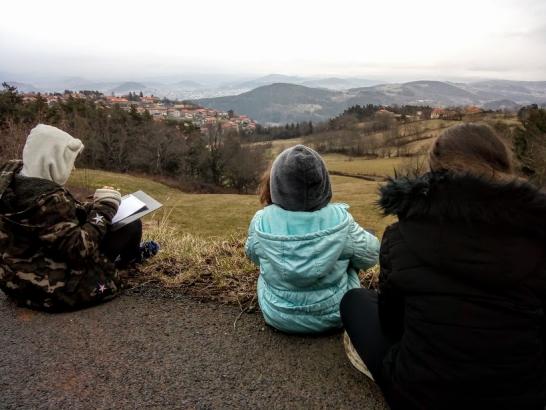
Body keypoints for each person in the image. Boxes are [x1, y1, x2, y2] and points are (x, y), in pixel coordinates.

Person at [340, 123, 546, 410]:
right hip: (524, 398)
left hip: (420, 396)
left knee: (355, 300)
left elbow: (391, 324)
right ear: (502, 165)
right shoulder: (537, 235)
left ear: (434, 170)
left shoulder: (401, 235)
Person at [0, 124, 159, 311]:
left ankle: (129, 257)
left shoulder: (12, 182)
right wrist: (105, 207)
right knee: (130, 224)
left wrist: (88, 207)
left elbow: (50, 225)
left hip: (15, 279)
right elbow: (78, 249)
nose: (72, 168)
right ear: (53, 160)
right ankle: (129, 260)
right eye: (68, 161)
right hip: (50, 289)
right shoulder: (48, 200)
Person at [245, 145, 380, 333]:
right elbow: (371, 256)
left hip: (277, 314)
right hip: (335, 314)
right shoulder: (341, 220)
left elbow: (252, 254)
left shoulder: (261, 220)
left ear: (275, 184)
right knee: (352, 256)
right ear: (324, 183)